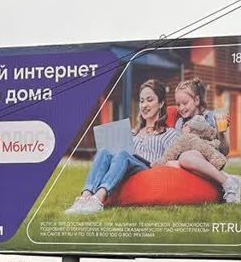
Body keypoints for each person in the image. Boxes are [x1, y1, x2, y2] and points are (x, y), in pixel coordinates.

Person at [66, 79, 180, 215]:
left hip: (147, 169)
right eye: (142, 101)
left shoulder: (169, 134)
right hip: (126, 167)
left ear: (161, 103)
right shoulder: (133, 132)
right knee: (104, 152)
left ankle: (98, 199)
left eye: (150, 100)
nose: (144, 105)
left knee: (123, 154)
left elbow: (175, 160)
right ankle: (85, 197)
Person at [165, 78, 241, 204]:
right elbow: (178, 146)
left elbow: (224, 151)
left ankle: (229, 184)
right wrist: (183, 136)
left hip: (208, 158)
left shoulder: (212, 117)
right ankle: (228, 178)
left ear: (196, 100)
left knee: (185, 158)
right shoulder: (180, 122)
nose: (181, 108)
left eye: (185, 103)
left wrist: (222, 133)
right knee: (170, 164)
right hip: (191, 162)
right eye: (178, 104)